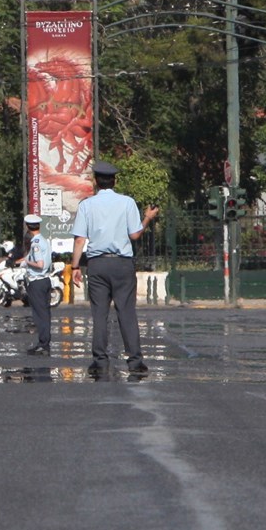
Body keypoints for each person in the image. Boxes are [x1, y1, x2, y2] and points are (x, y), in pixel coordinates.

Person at [70, 161, 159, 377]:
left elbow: (80, 239)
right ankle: (135, 361)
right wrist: (147, 217)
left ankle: (100, 361)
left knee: (99, 314)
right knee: (126, 312)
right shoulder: (127, 203)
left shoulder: (86, 206)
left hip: (97, 264)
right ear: (115, 181)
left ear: (95, 182)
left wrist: (75, 266)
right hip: (122, 264)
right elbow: (135, 235)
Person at [20, 215, 54, 355]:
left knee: (40, 315)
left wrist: (27, 262)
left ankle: (43, 344)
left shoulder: (35, 244)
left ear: (28, 226)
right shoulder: (44, 240)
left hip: (36, 281)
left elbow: (40, 264)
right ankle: (44, 342)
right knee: (45, 313)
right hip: (45, 280)